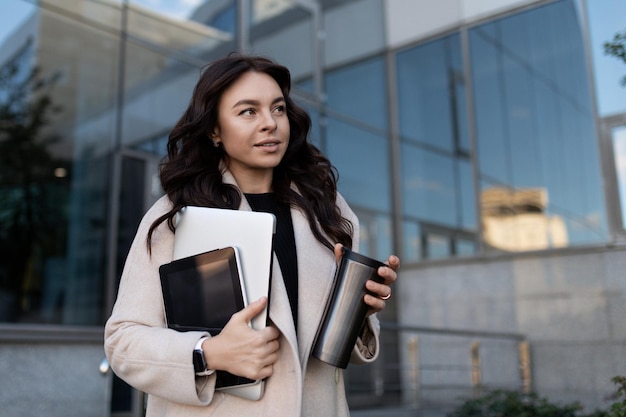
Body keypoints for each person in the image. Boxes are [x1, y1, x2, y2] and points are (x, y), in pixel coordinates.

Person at [104, 54, 399, 417]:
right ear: (214, 129)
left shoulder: (325, 207)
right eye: (248, 112)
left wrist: (359, 309)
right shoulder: (177, 213)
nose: (269, 124)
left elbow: (333, 352)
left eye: (277, 109)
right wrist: (207, 353)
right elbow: (122, 341)